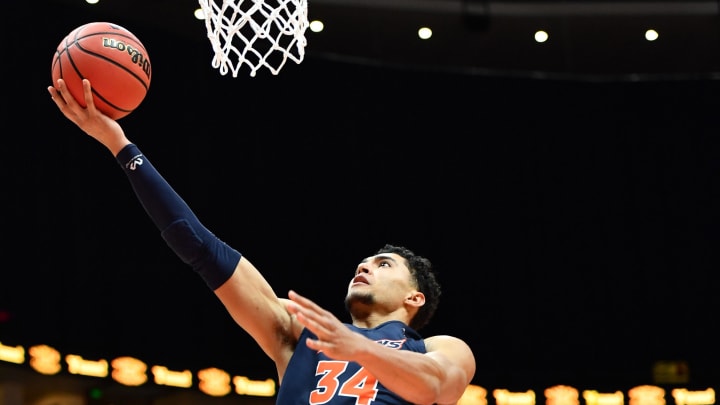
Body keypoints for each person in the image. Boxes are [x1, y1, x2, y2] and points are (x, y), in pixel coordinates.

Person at [47, 78, 477, 405]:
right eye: (364, 261)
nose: (363, 267)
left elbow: (435, 387)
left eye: (384, 264)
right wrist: (119, 144)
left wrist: (356, 347)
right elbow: (198, 246)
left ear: (415, 298)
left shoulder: (438, 348)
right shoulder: (297, 335)